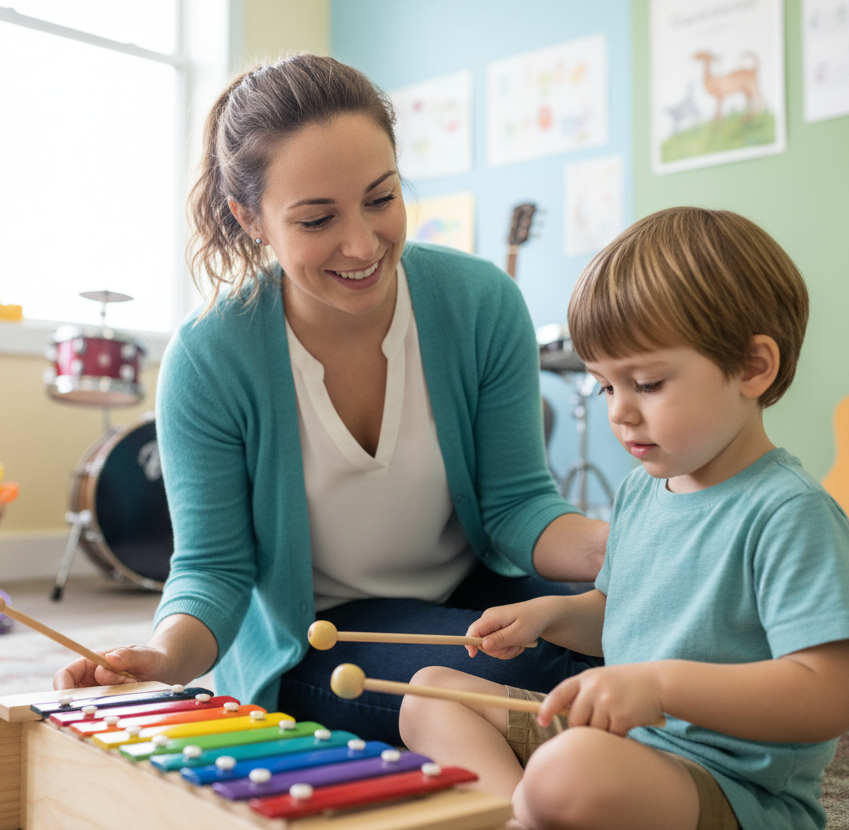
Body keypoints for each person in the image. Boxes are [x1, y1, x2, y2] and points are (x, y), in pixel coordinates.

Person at [53, 53, 609, 745]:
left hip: (475, 596)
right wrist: (163, 660)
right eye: (317, 220)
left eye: (381, 198)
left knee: (650, 634)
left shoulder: (481, 302)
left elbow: (517, 507)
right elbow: (214, 570)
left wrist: (623, 550)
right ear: (249, 217)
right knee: (561, 681)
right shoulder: (210, 356)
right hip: (317, 638)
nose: (362, 243)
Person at [398, 207, 849, 830]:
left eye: (647, 383)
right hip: (619, 750)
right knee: (429, 693)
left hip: (725, 786)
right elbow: (619, 616)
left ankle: (529, 807)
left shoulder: (790, 514)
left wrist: (661, 688)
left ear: (753, 367)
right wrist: (548, 615)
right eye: (605, 387)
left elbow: (828, 696)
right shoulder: (641, 492)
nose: (620, 413)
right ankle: (519, 814)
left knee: (572, 770)